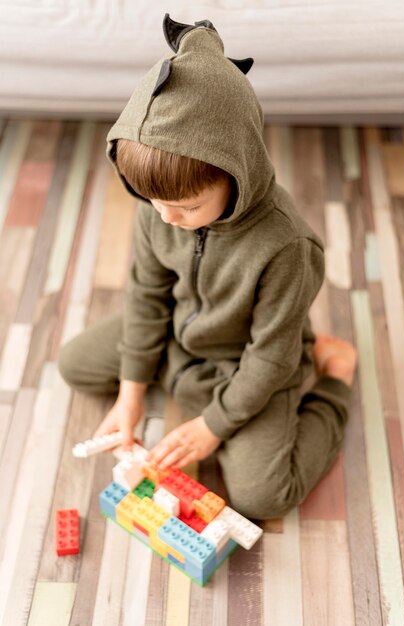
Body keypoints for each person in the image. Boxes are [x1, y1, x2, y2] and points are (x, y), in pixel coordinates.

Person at [58, 14, 357, 519]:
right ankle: (167, 377)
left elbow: (270, 359)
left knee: (263, 497)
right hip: (182, 336)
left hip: (251, 365)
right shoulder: (162, 208)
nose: (168, 217)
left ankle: (336, 377)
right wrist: (131, 394)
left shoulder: (287, 246)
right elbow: (147, 295)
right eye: (152, 200)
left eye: (188, 206)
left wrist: (212, 425)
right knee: (75, 365)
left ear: (236, 168)